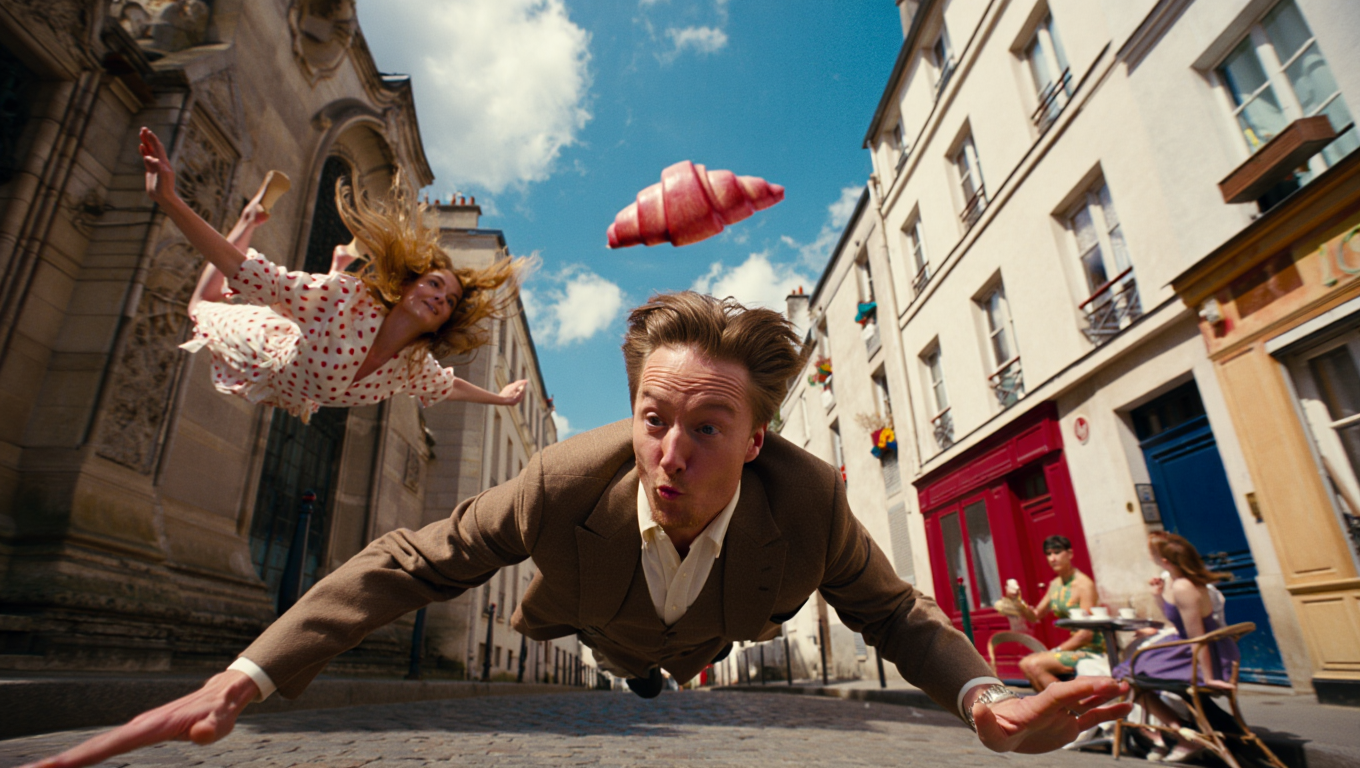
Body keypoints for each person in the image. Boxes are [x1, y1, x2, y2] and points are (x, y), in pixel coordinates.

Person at [22, 292, 1131, 768]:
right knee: (623, 655)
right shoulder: (562, 478)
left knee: (675, 658)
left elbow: (894, 612)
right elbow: (414, 558)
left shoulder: (807, 500)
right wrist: (242, 681)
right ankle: (634, 666)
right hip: (593, 623)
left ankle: (662, 666)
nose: (670, 454)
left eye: (708, 427)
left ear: (754, 440)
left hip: (713, 636)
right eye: (655, 420)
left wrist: (987, 703)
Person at [138, 127, 530, 423]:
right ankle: (249, 220)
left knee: (312, 323)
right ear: (406, 286)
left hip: (295, 386)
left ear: (446, 319)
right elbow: (244, 271)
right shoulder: (346, 299)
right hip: (266, 349)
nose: (440, 298)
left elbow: (450, 386)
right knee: (199, 306)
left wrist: (502, 398)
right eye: (434, 284)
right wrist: (169, 200)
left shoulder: (412, 364)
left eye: (449, 301)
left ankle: (337, 259)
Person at [1112, 531, 1238, 763]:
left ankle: (1180, 734)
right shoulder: (1172, 580)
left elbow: (1198, 638)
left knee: (1127, 675)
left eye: (1153, 554)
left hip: (1201, 654)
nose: (1151, 557)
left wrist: (1209, 678)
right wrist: (1158, 596)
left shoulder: (1183, 587)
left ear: (1166, 560)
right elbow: (1177, 620)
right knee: (1127, 673)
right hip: (1188, 648)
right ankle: (1179, 731)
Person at [1004, 535, 1106, 691]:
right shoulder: (1055, 584)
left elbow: (1086, 634)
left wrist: (1056, 651)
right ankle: (1057, 708)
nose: (1052, 558)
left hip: (1091, 650)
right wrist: (1017, 601)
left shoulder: (1084, 585)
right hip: (1072, 648)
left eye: (1057, 552)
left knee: (1034, 664)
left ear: (1070, 554)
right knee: (1024, 664)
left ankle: (1069, 706)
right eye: (1048, 554)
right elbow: (1035, 616)